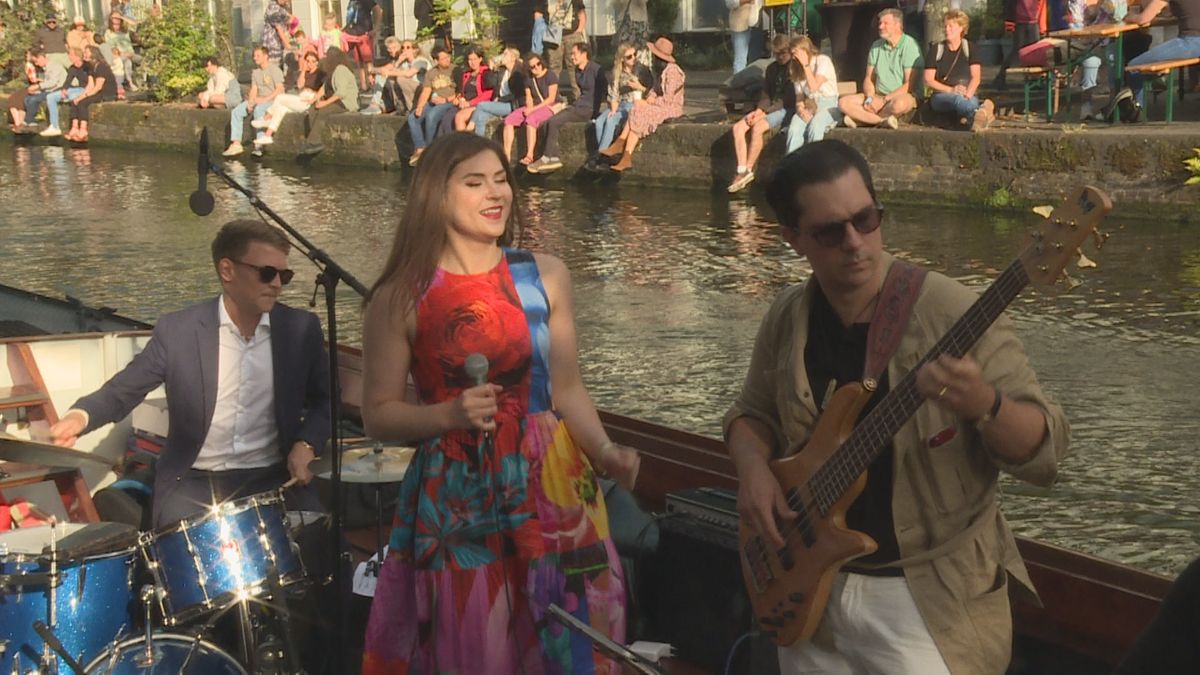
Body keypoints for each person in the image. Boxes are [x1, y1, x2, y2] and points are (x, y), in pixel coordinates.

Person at [726, 139, 1069, 674]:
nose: (856, 242)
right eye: (830, 231)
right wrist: (752, 472)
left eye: (867, 219)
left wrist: (986, 403)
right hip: (808, 586)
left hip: (927, 599)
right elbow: (752, 414)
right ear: (791, 239)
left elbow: (1044, 454)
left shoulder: (953, 312)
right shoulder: (789, 316)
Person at [358, 131, 639, 674]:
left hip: (555, 480)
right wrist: (447, 415)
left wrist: (605, 452)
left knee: (577, 643)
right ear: (435, 195)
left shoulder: (546, 275)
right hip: (457, 490)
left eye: (501, 178)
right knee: (475, 646)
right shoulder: (399, 296)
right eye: (474, 182)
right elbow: (379, 414)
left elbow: (567, 388)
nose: (497, 193)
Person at [49, 219, 330, 528]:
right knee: (186, 564)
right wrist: (80, 416)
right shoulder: (178, 330)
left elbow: (327, 399)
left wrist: (306, 444)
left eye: (284, 275)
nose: (276, 284)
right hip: (194, 480)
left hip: (272, 475)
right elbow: (125, 389)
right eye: (267, 273)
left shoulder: (300, 329)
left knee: (323, 541)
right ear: (227, 271)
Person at [605, 36, 685, 172]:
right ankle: (625, 154)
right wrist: (649, 97)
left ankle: (623, 147)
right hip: (661, 104)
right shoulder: (661, 71)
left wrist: (652, 101)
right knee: (636, 107)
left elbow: (668, 99)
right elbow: (655, 89)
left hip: (671, 108)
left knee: (640, 111)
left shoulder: (673, 72)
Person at [727, 34, 795, 193]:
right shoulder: (772, 69)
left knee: (758, 127)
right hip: (768, 108)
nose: (779, 57)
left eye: (782, 53)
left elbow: (785, 101)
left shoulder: (793, 68)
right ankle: (741, 169)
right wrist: (757, 111)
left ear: (790, 52)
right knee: (738, 128)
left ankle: (749, 169)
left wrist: (762, 114)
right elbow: (765, 96)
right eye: (776, 53)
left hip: (785, 108)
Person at [1112, 0, 1200, 113]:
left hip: (1190, 41)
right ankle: (1156, 79)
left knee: (1134, 66)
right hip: (1194, 41)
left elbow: (1143, 19)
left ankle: (1136, 110)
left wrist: (1130, 17)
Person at [838, 8, 920, 129]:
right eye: (880, 23)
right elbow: (869, 78)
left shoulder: (910, 45)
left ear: (898, 25)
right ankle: (882, 120)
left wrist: (884, 100)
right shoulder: (876, 46)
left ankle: (863, 120)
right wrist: (870, 99)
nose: (880, 27)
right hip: (878, 95)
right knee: (843, 103)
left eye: (885, 23)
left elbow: (909, 85)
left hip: (899, 96)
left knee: (899, 104)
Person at [528, 41, 602, 174]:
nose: (572, 57)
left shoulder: (595, 69)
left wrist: (596, 113)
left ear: (584, 54)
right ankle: (554, 156)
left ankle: (546, 157)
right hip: (578, 105)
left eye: (574, 54)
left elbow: (603, 91)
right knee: (547, 122)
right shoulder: (578, 71)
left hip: (587, 109)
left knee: (555, 121)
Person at [924, 10, 995, 131]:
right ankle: (983, 113)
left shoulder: (970, 48)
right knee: (959, 100)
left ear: (961, 28)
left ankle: (976, 118)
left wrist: (968, 93)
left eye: (951, 26)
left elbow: (976, 77)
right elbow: (928, 80)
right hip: (941, 95)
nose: (947, 29)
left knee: (968, 100)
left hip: (966, 93)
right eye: (945, 26)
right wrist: (951, 90)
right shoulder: (936, 50)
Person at [253, 49, 326, 146]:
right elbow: (300, 85)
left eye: (313, 61)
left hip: (309, 98)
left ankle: (266, 118)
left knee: (280, 97)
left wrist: (314, 98)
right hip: (301, 96)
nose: (310, 64)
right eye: (308, 61)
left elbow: (323, 89)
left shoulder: (320, 74)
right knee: (280, 109)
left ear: (317, 62)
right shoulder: (304, 73)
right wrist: (303, 70)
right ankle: (268, 135)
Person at [784, 35, 841, 155]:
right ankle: (791, 165)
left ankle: (814, 164)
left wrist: (806, 65)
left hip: (828, 103)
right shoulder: (794, 68)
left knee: (815, 126)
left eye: (797, 53)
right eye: (793, 54)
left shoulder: (823, 61)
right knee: (794, 128)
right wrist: (800, 110)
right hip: (809, 104)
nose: (795, 58)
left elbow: (814, 86)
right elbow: (799, 96)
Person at [225, 46, 285, 157]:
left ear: (266, 56)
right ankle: (236, 143)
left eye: (258, 56)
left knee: (259, 110)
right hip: (259, 99)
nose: (255, 58)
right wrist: (251, 101)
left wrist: (264, 100)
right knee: (236, 112)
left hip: (272, 100)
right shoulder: (256, 72)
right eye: (254, 55)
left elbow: (279, 90)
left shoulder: (274, 70)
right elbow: (254, 89)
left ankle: (259, 145)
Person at [594, 41, 654, 153]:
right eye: (629, 57)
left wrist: (638, 86)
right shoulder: (617, 73)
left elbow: (651, 92)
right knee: (599, 122)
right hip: (619, 104)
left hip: (632, 104)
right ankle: (604, 151)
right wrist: (613, 108)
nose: (633, 58)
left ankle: (600, 154)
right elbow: (614, 93)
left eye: (634, 55)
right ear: (622, 59)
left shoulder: (641, 71)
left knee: (610, 121)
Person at [299, 46, 359, 155]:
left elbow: (341, 93)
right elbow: (324, 88)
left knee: (323, 111)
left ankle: (313, 142)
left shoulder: (341, 70)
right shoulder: (331, 71)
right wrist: (314, 100)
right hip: (336, 100)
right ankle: (314, 139)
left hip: (345, 102)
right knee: (313, 110)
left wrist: (324, 104)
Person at [502, 52, 559, 165]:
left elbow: (551, 99)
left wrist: (532, 110)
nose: (536, 67)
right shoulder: (529, 79)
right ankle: (506, 154)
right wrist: (529, 107)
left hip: (549, 106)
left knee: (531, 120)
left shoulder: (550, 75)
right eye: (532, 66)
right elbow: (529, 96)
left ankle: (530, 154)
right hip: (534, 106)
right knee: (509, 120)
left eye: (538, 64)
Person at [407, 45, 459, 166]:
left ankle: (430, 148)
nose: (447, 60)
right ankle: (420, 148)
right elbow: (426, 92)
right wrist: (420, 106)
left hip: (449, 101)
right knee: (413, 117)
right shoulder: (431, 73)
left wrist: (445, 99)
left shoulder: (455, 70)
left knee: (432, 115)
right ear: (436, 61)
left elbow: (460, 91)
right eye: (443, 58)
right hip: (434, 101)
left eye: (448, 57)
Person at [65, 46, 118, 142]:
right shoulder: (90, 67)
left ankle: (83, 130)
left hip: (106, 93)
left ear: (93, 54)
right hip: (97, 90)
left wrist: (84, 97)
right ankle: (74, 128)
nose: (84, 54)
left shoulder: (101, 67)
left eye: (86, 52)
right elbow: (90, 85)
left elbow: (98, 87)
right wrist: (80, 96)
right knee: (75, 101)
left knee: (83, 103)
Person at [470, 47, 526, 136]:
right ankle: (479, 146)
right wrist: (491, 68)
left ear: (513, 58)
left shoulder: (518, 72)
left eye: (505, 54)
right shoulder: (502, 71)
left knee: (480, 105)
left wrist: (500, 100)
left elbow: (517, 94)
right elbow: (488, 84)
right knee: (480, 116)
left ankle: (469, 127)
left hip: (512, 104)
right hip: (500, 102)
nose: (502, 56)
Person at [364, 38, 427, 115]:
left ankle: (409, 108)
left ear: (415, 50)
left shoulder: (421, 61)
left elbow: (408, 74)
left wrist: (387, 72)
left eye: (408, 47)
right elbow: (388, 69)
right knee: (390, 79)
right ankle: (384, 105)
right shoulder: (404, 63)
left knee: (400, 79)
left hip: (422, 90)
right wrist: (398, 62)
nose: (404, 50)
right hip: (410, 90)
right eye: (403, 47)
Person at [441, 44, 494, 135]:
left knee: (459, 117)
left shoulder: (486, 73)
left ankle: (463, 146)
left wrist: (470, 103)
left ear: (480, 59)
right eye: (470, 60)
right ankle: (449, 145)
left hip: (478, 105)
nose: (472, 62)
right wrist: (459, 98)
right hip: (464, 104)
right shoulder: (467, 74)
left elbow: (488, 94)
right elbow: (462, 91)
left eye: (475, 59)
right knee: (446, 117)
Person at [542, 0, 587, 102]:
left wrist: (579, 31)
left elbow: (581, 12)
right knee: (554, 66)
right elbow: (539, 14)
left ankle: (578, 96)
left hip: (572, 34)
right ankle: (553, 97)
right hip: (552, 35)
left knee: (574, 65)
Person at [23, 50, 68, 136]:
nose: (36, 64)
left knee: (33, 99)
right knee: (27, 98)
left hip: (57, 90)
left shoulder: (55, 66)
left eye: (36, 61)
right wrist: (38, 90)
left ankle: (30, 122)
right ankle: (30, 121)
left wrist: (38, 86)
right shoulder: (46, 68)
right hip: (49, 90)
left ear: (41, 58)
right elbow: (47, 83)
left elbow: (53, 83)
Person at [343, 0, 382, 91]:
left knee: (368, 60)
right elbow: (351, 17)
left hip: (364, 34)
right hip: (352, 34)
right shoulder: (351, 2)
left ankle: (372, 83)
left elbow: (377, 10)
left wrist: (376, 28)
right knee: (359, 62)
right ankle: (364, 85)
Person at [101, 11, 137, 92]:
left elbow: (134, 24)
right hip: (119, 55)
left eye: (118, 18)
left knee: (144, 60)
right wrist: (123, 53)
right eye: (115, 18)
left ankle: (148, 82)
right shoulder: (108, 33)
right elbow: (112, 48)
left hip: (131, 53)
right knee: (127, 62)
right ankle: (130, 82)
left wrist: (123, 17)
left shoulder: (125, 31)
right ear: (111, 19)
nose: (117, 19)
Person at [727, 0, 764, 75]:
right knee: (740, 59)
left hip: (756, 24)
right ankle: (738, 83)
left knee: (755, 59)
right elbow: (730, 3)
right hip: (740, 26)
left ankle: (752, 83)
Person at [262, 0, 293, 66]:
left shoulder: (283, 7)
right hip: (273, 49)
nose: (287, 1)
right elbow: (279, 28)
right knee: (274, 70)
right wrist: (288, 46)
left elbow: (289, 20)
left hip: (280, 47)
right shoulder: (273, 8)